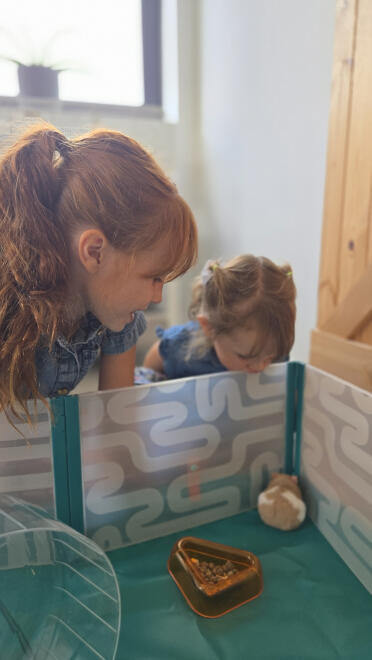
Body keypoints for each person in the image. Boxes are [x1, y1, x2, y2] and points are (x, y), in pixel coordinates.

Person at [0, 122, 197, 421]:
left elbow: (116, 421)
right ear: (94, 252)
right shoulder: (11, 310)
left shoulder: (119, 319)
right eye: (154, 278)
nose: (157, 295)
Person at [143, 254, 296, 379]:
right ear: (208, 328)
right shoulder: (182, 347)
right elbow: (155, 360)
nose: (259, 367)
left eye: (270, 358)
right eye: (244, 357)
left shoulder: (272, 346)